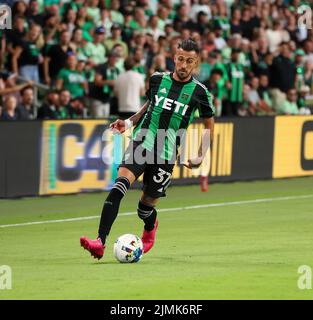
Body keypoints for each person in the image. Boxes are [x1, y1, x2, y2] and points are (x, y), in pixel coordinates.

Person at [80, 39, 215, 260]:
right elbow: (149, 106)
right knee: (119, 186)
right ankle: (100, 242)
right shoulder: (157, 79)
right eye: (180, 59)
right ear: (175, 57)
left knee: (145, 207)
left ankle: (150, 230)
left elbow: (209, 123)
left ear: (196, 62)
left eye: (189, 61)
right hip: (142, 141)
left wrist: (201, 153)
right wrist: (129, 122)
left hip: (167, 152)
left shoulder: (200, 93)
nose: (183, 65)